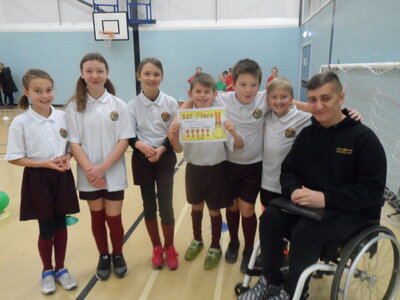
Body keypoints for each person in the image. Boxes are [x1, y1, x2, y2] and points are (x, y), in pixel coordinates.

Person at [239, 71, 387, 300]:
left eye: (325, 98)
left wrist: (327, 199)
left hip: (351, 215)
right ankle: (270, 280)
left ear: (341, 98)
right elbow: (288, 170)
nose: (318, 106)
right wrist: (294, 190)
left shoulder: (364, 139)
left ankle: (292, 292)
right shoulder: (308, 134)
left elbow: (372, 191)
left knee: (306, 232)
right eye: (312, 100)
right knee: (270, 218)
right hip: (310, 210)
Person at [5, 69, 80, 295]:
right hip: (37, 177)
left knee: (61, 225)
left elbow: (71, 147)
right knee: (46, 227)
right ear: (27, 92)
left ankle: (61, 268)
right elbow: (15, 157)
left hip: (62, 176)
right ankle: (47, 271)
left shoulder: (62, 116)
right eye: (38, 91)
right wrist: (44, 164)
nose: (45, 95)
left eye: (48, 90)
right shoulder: (21, 122)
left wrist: (67, 158)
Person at [66, 53, 133, 281]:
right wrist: (90, 170)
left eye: (99, 71)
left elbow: (123, 140)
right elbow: (73, 142)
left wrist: (103, 168)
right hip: (88, 174)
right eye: (89, 71)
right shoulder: (74, 107)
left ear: (107, 73)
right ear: (82, 74)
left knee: (114, 218)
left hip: (112, 172)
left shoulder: (118, 105)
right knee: (97, 218)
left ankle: (118, 255)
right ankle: (103, 256)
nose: (94, 75)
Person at [168, 73, 244, 269]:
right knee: (196, 207)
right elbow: (178, 149)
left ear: (214, 94)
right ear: (190, 93)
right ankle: (197, 240)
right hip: (193, 169)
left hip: (217, 169)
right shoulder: (185, 118)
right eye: (198, 91)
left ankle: (216, 245)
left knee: (214, 209)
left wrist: (233, 131)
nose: (202, 95)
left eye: (206, 92)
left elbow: (239, 144)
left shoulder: (220, 115)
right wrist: (174, 136)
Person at [128, 57, 179, 270]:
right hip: (142, 158)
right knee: (149, 207)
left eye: (156, 74)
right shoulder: (131, 106)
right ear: (139, 76)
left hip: (164, 157)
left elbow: (174, 132)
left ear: (162, 77)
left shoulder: (171, 103)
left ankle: (170, 246)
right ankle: (156, 247)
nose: (151, 78)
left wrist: (162, 148)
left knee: (166, 207)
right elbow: (129, 135)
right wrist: (140, 146)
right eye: (147, 74)